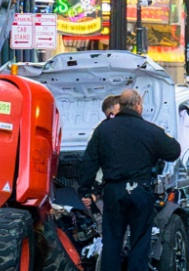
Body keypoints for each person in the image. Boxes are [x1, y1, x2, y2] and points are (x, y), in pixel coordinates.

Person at [79, 89, 180, 271]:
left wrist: (85, 189)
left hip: (113, 193)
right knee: (140, 243)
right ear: (138, 105)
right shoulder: (150, 130)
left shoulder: (103, 129)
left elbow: (89, 161)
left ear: (121, 105)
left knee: (112, 243)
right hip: (140, 192)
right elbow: (173, 151)